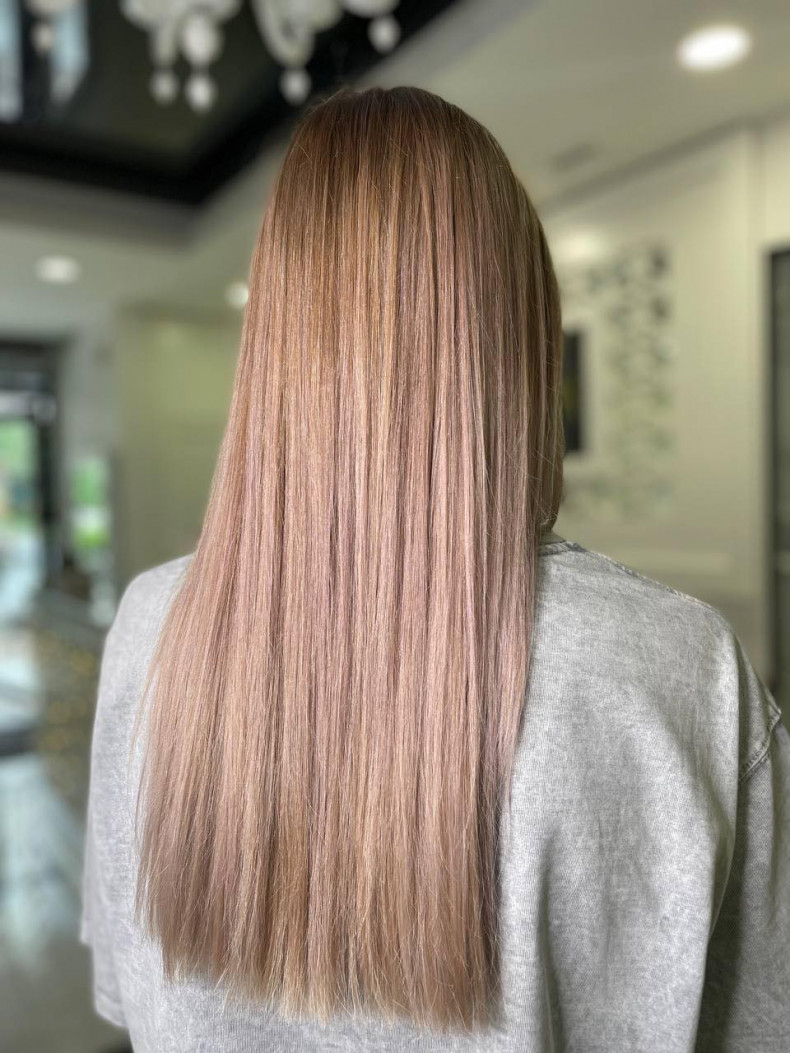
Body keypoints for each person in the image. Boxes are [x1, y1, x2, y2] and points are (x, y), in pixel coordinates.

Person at [81, 86, 789, 1052]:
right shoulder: (678, 669)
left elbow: (131, 994)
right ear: (524, 337)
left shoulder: (149, 626)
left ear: (278, 338)